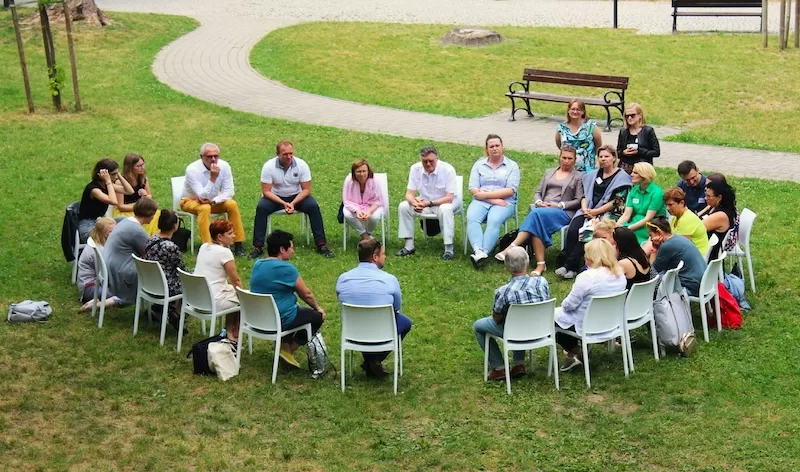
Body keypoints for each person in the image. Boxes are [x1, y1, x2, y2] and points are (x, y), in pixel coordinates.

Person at [494, 144, 584, 276]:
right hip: (543, 209)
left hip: (562, 211)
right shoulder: (549, 172)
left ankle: (512, 247)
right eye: (564, 157)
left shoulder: (578, 176)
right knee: (537, 220)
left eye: (570, 158)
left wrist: (559, 205)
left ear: (575, 160)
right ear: (559, 158)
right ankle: (540, 265)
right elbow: (538, 191)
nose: (566, 161)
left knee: (536, 215)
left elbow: (578, 200)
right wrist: (538, 201)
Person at [336, 235, 412, 378]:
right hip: (381, 332)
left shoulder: (343, 278)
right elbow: (396, 306)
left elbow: (341, 302)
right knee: (405, 322)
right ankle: (373, 360)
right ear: (375, 257)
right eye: (383, 254)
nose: (385, 257)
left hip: (353, 331)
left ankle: (371, 361)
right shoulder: (389, 280)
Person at [473, 246, 551, 381]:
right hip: (541, 330)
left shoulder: (504, 291)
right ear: (527, 262)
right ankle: (518, 364)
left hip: (516, 332)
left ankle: (499, 367)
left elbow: (496, 318)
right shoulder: (542, 282)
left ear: (506, 266)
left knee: (478, 326)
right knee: (518, 321)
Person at [250, 230, 325, 368]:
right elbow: (306, 293)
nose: (293, 251)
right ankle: (287, 350)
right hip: (279, 319)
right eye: (291, 247)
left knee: (295, 310)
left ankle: (284, 347)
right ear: (282, 249)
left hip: (258, 318)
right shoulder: (286, 269)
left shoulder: (257, 264)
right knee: (316, 317)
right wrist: (318, 308)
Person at [556, 146, 632, 279]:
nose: (603, 159)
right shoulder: (592, 175)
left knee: (588, 232)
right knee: (574, 229)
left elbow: (617, 201)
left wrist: (597, 211)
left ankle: (570, 265)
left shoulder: (622, 177)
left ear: (614, 158)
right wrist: (585, 209)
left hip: (609, 213)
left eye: (606, 156)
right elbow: (584, 196)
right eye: (601, 156)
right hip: (588, 210)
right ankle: (569, 263)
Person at [250, 140, 334, 259]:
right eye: (285, 154)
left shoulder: (301, 165)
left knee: (313, 206)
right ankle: (257, 246)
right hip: (275, 197)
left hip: (297, 196)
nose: (289, 157)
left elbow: (306, 190)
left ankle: (321, 244)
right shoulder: (268, 166)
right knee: (262, 207)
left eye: (291, 153)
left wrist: (293, 203)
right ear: (277, 154)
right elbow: (266, 191)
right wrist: (284, 203)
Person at [555, 238, 626, 372]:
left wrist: (564, 305)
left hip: (587, 325)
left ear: (591, 256)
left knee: (551, 318)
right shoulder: (620, 274)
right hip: (610, 322)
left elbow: (569, 305)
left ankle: (574, 350)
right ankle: (573, 354)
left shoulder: (588, 277)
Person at [180, 143, 246, 256]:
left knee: (232, 204)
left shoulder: (224, 166)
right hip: (190, 201)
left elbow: (229, 191)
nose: (213, 159)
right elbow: (202, 196)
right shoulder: (192, 169)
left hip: (214, 200)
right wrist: (213, 178)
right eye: (209, 156)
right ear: (201, 157)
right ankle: (208, 246)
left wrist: (215, 200)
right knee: (205, 208)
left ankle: (238, 243)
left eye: (216, 156)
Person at [467, 134, 520, 268]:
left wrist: (486, 196)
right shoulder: (479, 164)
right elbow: (472, 188)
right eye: (491, 146)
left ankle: (483, 253)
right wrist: (492, 200)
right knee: (472, 217)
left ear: (502, 147)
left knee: (493, 220)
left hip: (505, 202)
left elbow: (510, 190)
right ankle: (478, 250)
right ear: (487, 149)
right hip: (484, 200)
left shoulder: (512, 166)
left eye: (497, 145)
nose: (495, 148)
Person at [396, 146, 459, 260]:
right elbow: (409, 194)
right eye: (425, 161)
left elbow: (449, 197)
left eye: (431, 161)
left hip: (444, 202)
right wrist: (414, 203)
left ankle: (448, 249)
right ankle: (409, 246)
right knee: (404, 206)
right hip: (424, 201)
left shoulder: (448, 169)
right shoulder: (415, 168)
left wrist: (429, 203)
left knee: (446, 209)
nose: (428, 164)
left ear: (437, 159)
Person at [104, 197, 158, 306]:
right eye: (153, 214)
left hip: (110, 264)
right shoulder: (137, 230)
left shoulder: (126, 221)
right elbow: (150, 253)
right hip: (121, 270)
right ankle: (158, 305)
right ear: (148, 214)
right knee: (158, 272)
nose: (153, 217)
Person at [144, 209, 188, 330]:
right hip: (164, 286)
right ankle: (178, 316)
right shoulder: (170, 247)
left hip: (148, 282)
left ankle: (159, 309)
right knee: (191, 284)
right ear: (175, 226)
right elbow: (182, 269)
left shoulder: (152, 238)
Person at [647, 216, 706, 297]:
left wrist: (654, 251)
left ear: (658, 232)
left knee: (651, 282)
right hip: (703, 281)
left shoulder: (667, 246)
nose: (650, 239)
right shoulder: (677, 237)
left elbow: (652, 273)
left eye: (651, 235)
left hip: (691, 286)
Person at [194, 219, 244, 314]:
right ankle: (232, 329)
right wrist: (245, 298)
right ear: (220, 237)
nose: (234, 236)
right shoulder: (225, 252)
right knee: (242, 297)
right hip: (212, 301)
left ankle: (229, 328)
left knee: (233, 291)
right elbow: (236, 280)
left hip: (196, 299)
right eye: (230, 234)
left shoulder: (203, 246)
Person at [78, 158, 128, 242]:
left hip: (102, 221)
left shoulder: (107, 185)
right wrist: (108, 181)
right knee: (115, 236)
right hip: (89, 226)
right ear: (102, 175)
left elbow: (129, 191)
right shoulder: (94, 189)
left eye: (117, 173)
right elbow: (113, 201)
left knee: (127, 221)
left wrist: (119, 176)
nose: (116, 177)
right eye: (113, 174)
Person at [615, 162, 667, 244]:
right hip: (635, 222)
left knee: (627, 238)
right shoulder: (634, 190)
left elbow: (648, 218)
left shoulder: (657, 193)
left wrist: (628, 228)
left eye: (635, 173)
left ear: (644, 175)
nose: (631, 175)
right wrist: (617, 226)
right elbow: (626, 214)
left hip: (651, 225)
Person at [77, 217, 120, 311]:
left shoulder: (97, 241)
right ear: (103, 233)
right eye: (111, 232)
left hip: (97, 283)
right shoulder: (97, 251)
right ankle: (96, 304)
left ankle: (97, 301)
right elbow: (104, 275)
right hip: (90, 287)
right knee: (124, 296)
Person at [113, 153, 160, 236]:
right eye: (139, 166)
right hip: (126, 210)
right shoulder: (120, 182)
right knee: (144, 216)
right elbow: (120, 206)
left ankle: (153, 238)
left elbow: (149, 196)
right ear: (130, 167)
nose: (142, 167)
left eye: (143, 164)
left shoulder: (143, 179)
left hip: (140, 207)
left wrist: (145, 196)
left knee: (156, 213)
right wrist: (140, 207)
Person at [555, 99, 603, 173]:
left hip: (587, 167)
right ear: (568, 110)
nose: (575, 112)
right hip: (567, 167)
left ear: (583, 111)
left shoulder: (591, 126)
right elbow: (559, 145)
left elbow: (598, 145)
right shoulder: (561, 128)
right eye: (573, 109)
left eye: (578, 109)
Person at [342, 158, 386, 237]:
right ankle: (364, 235)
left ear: (368, 171)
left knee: (374, 217)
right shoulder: (349, 181)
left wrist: (369, 211)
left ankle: (368, 233)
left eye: (364, 171)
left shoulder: (375, 181)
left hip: (372, 206)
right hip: (354, 205)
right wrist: (356, 211)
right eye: (358, 171)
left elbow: (378, 200)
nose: (361, 174)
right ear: (354, 172)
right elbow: (346, 200)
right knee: (347, 214)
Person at [662, 187, 708, 256]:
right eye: (666, 205)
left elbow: (681, 247)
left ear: (681, 203)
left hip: (695, 259)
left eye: (670, 205)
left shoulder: (687, 219)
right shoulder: (675, 217)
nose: (667, 208)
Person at [615, 103, 660, 173]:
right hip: (625, 167)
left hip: (642, 168)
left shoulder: (648, 131)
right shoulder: (623, 131)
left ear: (640, 116)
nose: (629, 118)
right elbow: (617, 152)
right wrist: (624, 152)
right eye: (627, 116)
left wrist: (639, 151)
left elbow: (656, 152)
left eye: (632, 115)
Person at [702, 180, 738, 260]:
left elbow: (696, 229)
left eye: (708, 196)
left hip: (708, 254)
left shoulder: (721, 216)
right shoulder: (716, 207)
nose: (705, 198)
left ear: (719, 197)